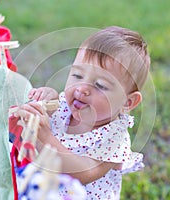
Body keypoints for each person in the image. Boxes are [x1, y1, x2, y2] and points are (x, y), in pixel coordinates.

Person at [15, 26, 150, 199]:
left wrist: (46, 138)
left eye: (100, 85)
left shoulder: (114, 137)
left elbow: (84, 173)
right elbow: (52, 111)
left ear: (127, 102)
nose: (82, 88)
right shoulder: (64, 106)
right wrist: (46, 100)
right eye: (78, 76)